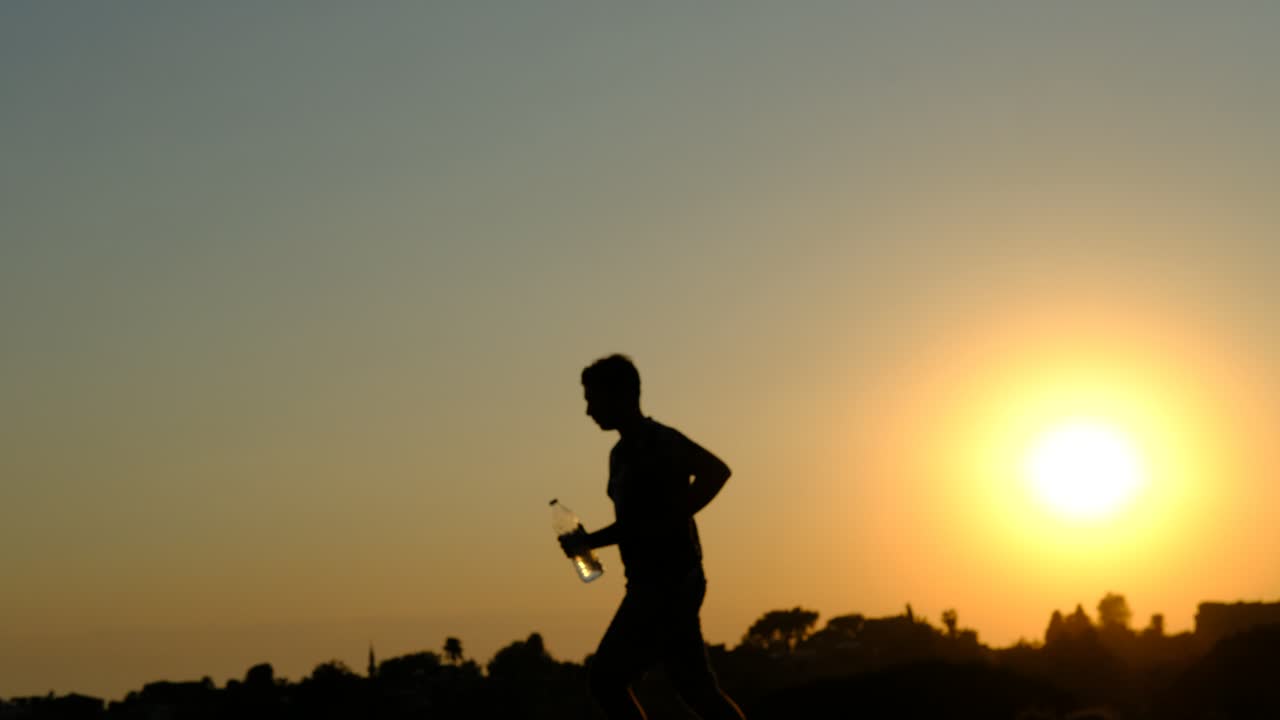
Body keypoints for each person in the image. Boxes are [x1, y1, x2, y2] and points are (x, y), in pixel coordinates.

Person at [560, 353, 747, 720]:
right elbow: (636, 524)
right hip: (647, 584)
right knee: (695, 688)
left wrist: (678, 513)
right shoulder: (619, 455)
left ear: (621, 395)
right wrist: (590, 541)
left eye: (592, 399)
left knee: (606, 679)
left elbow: (716, 471)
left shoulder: (660, 441)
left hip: (670, 584)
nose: (588, 410)